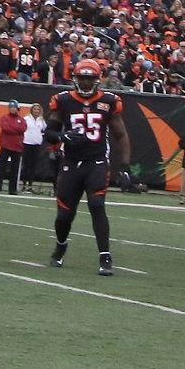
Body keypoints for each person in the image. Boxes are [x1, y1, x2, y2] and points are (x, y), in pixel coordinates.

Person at [46, 59, 130, 275]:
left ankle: (105, 257)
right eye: (82, 78)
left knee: (97, 204)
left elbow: (121, 135)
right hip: (71, 163)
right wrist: (63, 136)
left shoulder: (109, 101)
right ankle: (61, 246)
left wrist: (125, 166)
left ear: (97, 79)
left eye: (89, 78)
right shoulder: (63, 101)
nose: (85, 83)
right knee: (64, 215)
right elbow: (49, 133)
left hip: (97, 161)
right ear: (75, 78)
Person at [0, 100, 27, 195]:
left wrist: (13, 129)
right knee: (1, 168)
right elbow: (5, 128)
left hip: (17, 147)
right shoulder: (4, 118)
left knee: (15, 169)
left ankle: (12, 189)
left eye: (14, 107)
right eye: (11, 107)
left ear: (17, 108)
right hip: (5, 145)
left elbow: (23, 128)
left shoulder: (21, 120)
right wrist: (16, 130)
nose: (12, 109)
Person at [22, 102, 47, 194]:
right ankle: (24, 185)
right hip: (27, 143)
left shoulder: (41, 120)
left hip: (36, 144)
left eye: (38, 109)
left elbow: (44, 130)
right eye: (35, 109)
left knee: (33, 165)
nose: (36, 111)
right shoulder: (26, 119)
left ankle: (30, 185)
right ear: (31, 110)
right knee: (26, 165)